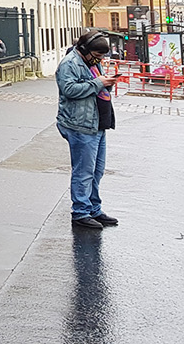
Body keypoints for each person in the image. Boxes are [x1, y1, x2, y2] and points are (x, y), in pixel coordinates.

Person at [57, 31, 118, 230]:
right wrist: (99, 83)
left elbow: (95, 84)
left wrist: (105, 82)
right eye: (97, 55)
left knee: (96, 171)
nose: (99, 60)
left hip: (96, 123)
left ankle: (93, 208)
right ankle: (81, 212)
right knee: (83, 171)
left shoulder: (91, 62)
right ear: (85, 50)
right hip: (80, 125)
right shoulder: (70, 64)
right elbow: (69, 90)